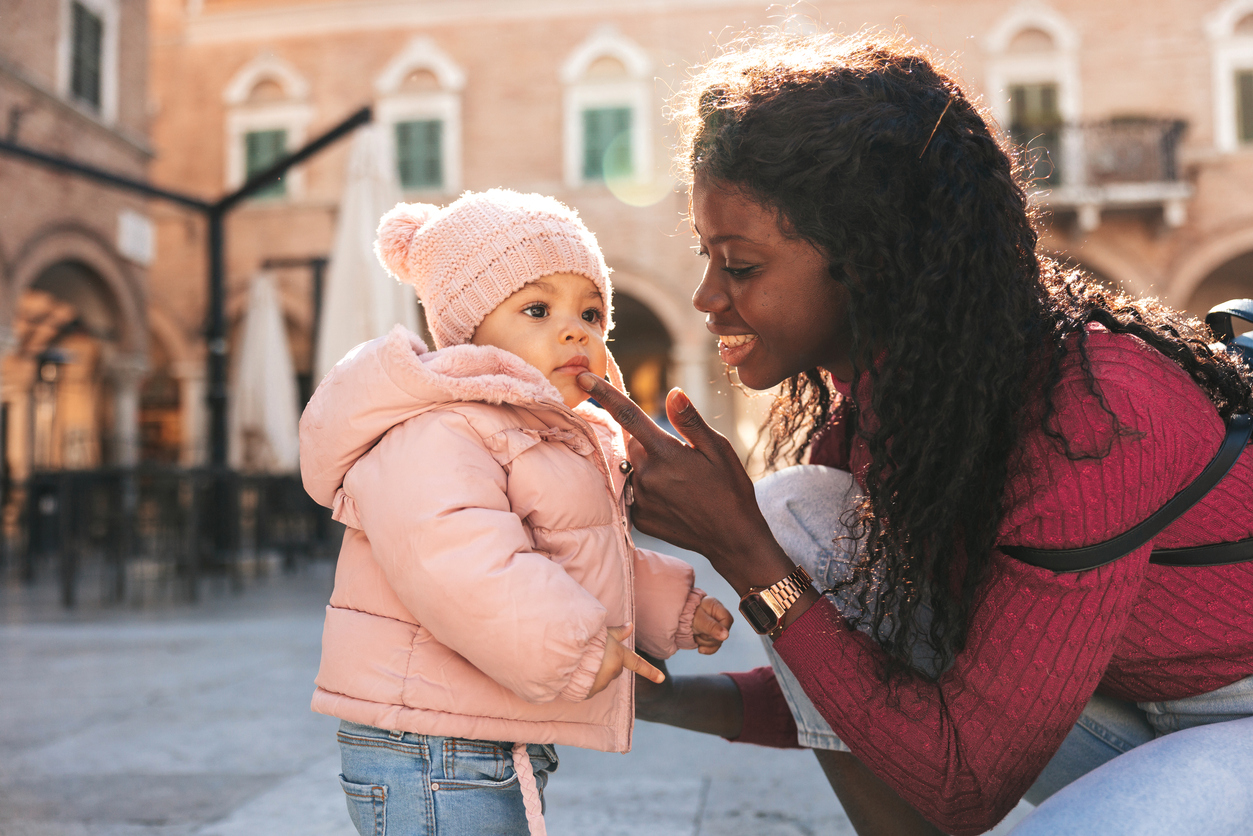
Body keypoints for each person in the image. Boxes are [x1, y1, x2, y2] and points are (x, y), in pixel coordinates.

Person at [575, 31, 1253, 836]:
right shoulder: (893, 403)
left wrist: (738, 546)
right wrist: (663, 697)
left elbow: (965, 782)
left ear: (868, 259)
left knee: (778, 528)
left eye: (741, 265)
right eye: (705, 257)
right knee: (800, 513)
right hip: (1127, 708)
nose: (705, 297)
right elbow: (858, 691)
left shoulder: (1097, 413)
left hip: (1238, 715)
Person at [299, 189, 733, 836]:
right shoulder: (441, 428)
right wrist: (576, 645)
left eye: (590, 312)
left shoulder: (539, 432)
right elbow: (459, 561)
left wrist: (670, 605)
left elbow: (563, 552)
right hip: (428, 741)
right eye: (537, 309)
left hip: (476, 730)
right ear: (466, 328)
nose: (573, 330)